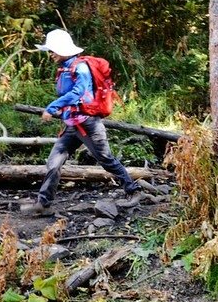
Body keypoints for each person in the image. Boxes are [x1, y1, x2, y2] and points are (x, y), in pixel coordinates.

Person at [21, 29, 140, 216]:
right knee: (53, 162)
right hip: (72, 126)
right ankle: (44, 205)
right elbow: (71, 97)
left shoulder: (80, 68)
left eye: (52, 50)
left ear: (62, 50)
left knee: (106, 160)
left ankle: (134, 191)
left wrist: (52, 108)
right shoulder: (64, 69)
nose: (50, 54)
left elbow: (78, 92)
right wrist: (62, 109)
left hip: (89, 125)